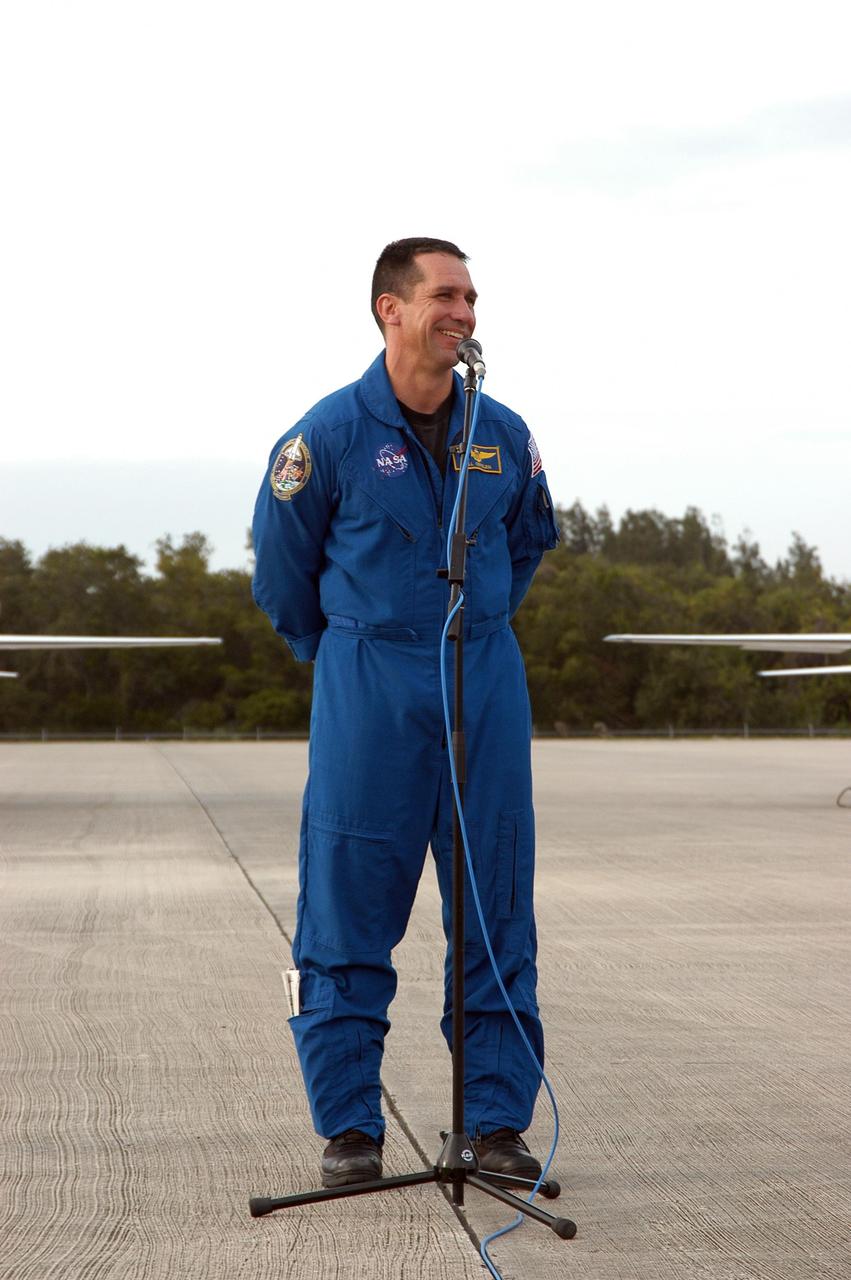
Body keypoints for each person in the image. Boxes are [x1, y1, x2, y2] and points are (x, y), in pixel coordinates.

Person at [252, 237, 559, 1189]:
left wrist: (475, 628)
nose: (463, 312)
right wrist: (348, 654)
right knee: (346, 910)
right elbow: (281, 571)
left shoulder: (502, 432)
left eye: (471, 298)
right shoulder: (326, 436)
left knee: (495, 909)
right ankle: (350, 1129)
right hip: (369, 686)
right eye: (445, 295)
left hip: (483, 680)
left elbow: (528, 542)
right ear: (390, 308)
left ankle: (495, 1125)